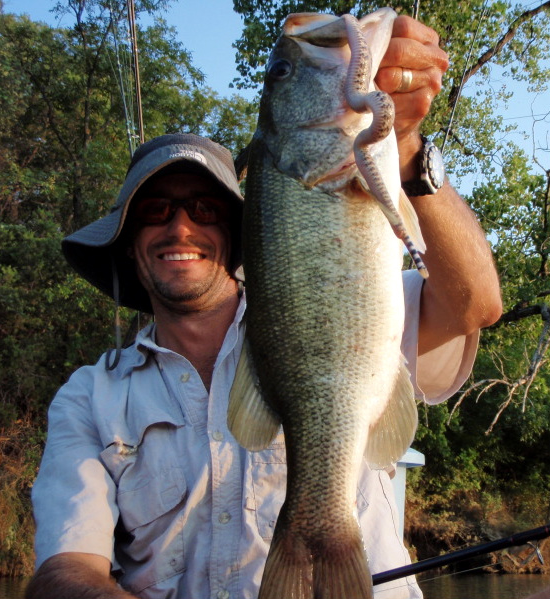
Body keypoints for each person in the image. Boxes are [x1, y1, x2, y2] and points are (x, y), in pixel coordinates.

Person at [25, 15, 502, 599]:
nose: (180, 227)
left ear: (235, 231)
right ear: (128, 242)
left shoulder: (345, 301)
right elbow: (66, 571)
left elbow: (475, 304)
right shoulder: (89, 399)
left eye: (204, 209)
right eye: (155, 212)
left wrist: (405, 153)